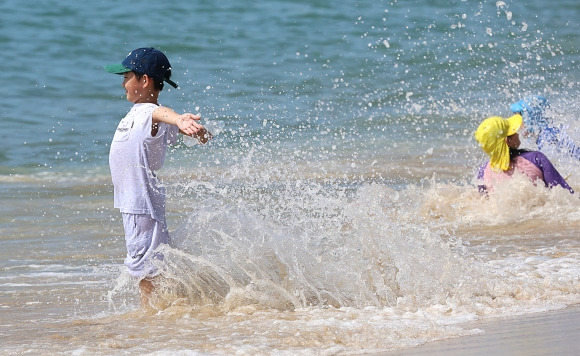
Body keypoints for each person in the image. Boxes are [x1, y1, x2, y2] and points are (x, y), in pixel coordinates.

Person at [104, 47, 212, 307]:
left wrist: (179, 120)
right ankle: (174, 306)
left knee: (146, 269)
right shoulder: (142, 115)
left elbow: (162, 114)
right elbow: (163, 120)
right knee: (152, 265)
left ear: (144, 80)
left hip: (141, 205)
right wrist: (194, 131)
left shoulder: (148, 112)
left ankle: (151, 316)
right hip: (139, 203)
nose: (123, 82)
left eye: (127, 76)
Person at [474, 114, 573, 194]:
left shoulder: (483, 171)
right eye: (513, 131)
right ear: (508, 140)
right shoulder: (536, 159)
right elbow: (566, 195)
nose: (517, 133)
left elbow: (485, 204)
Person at [511, 95, 580, 160]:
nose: (515, 124)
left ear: (530, 119)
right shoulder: (551, 129)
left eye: (517, 119)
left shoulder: (546, 138)